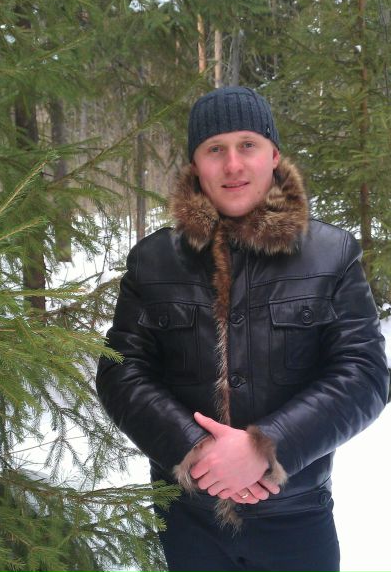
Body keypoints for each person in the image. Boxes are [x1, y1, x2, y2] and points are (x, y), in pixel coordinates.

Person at [96, 86, 389, 572]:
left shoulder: (332, 254)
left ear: (273, 155)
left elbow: (365, 374)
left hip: (296, 515)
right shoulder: (153, 260)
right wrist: (194, 449)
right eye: (215, 149)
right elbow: (120, 372)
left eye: (247, 145)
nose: (232, 164)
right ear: (196, 165)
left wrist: (266, 446)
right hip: (189, 518)